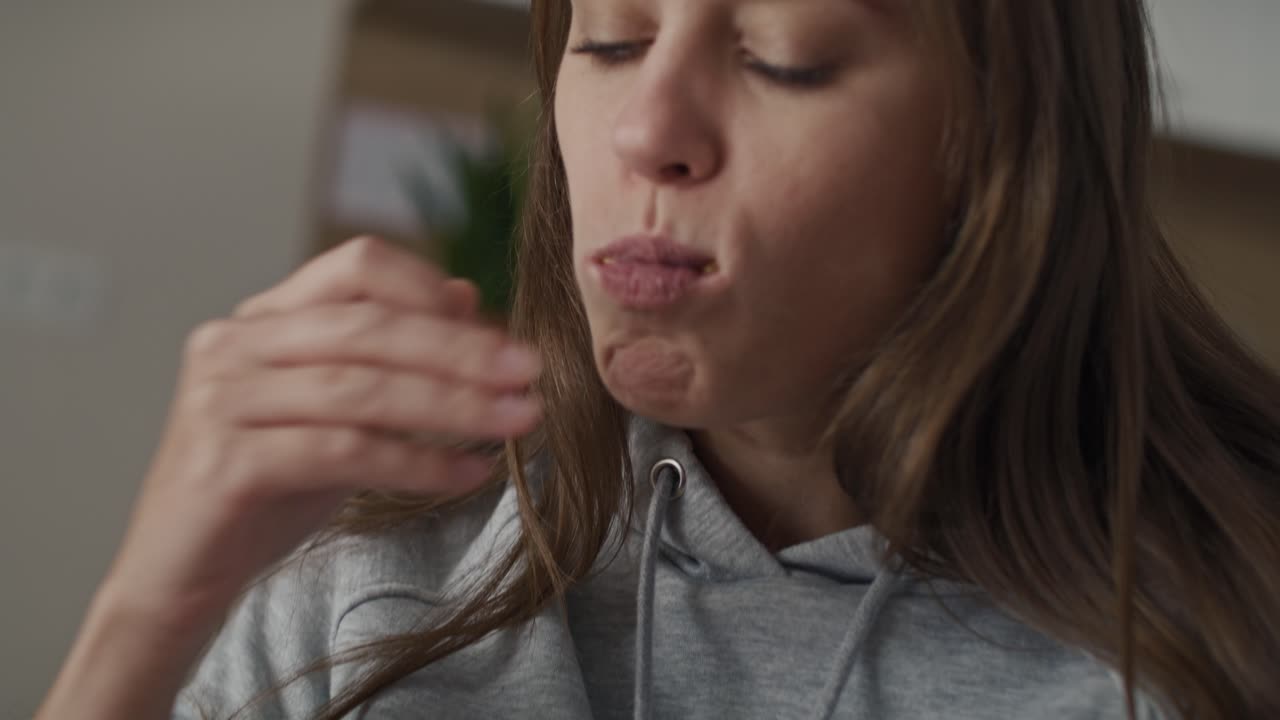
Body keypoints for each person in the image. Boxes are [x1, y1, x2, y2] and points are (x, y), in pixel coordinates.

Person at [37, 0, 1280, 718]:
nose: (646, 131)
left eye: (779, 52)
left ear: (1004, 146)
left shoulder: (1219, 646)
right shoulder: (358, 608)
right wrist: (148, 620)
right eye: (615, 37)